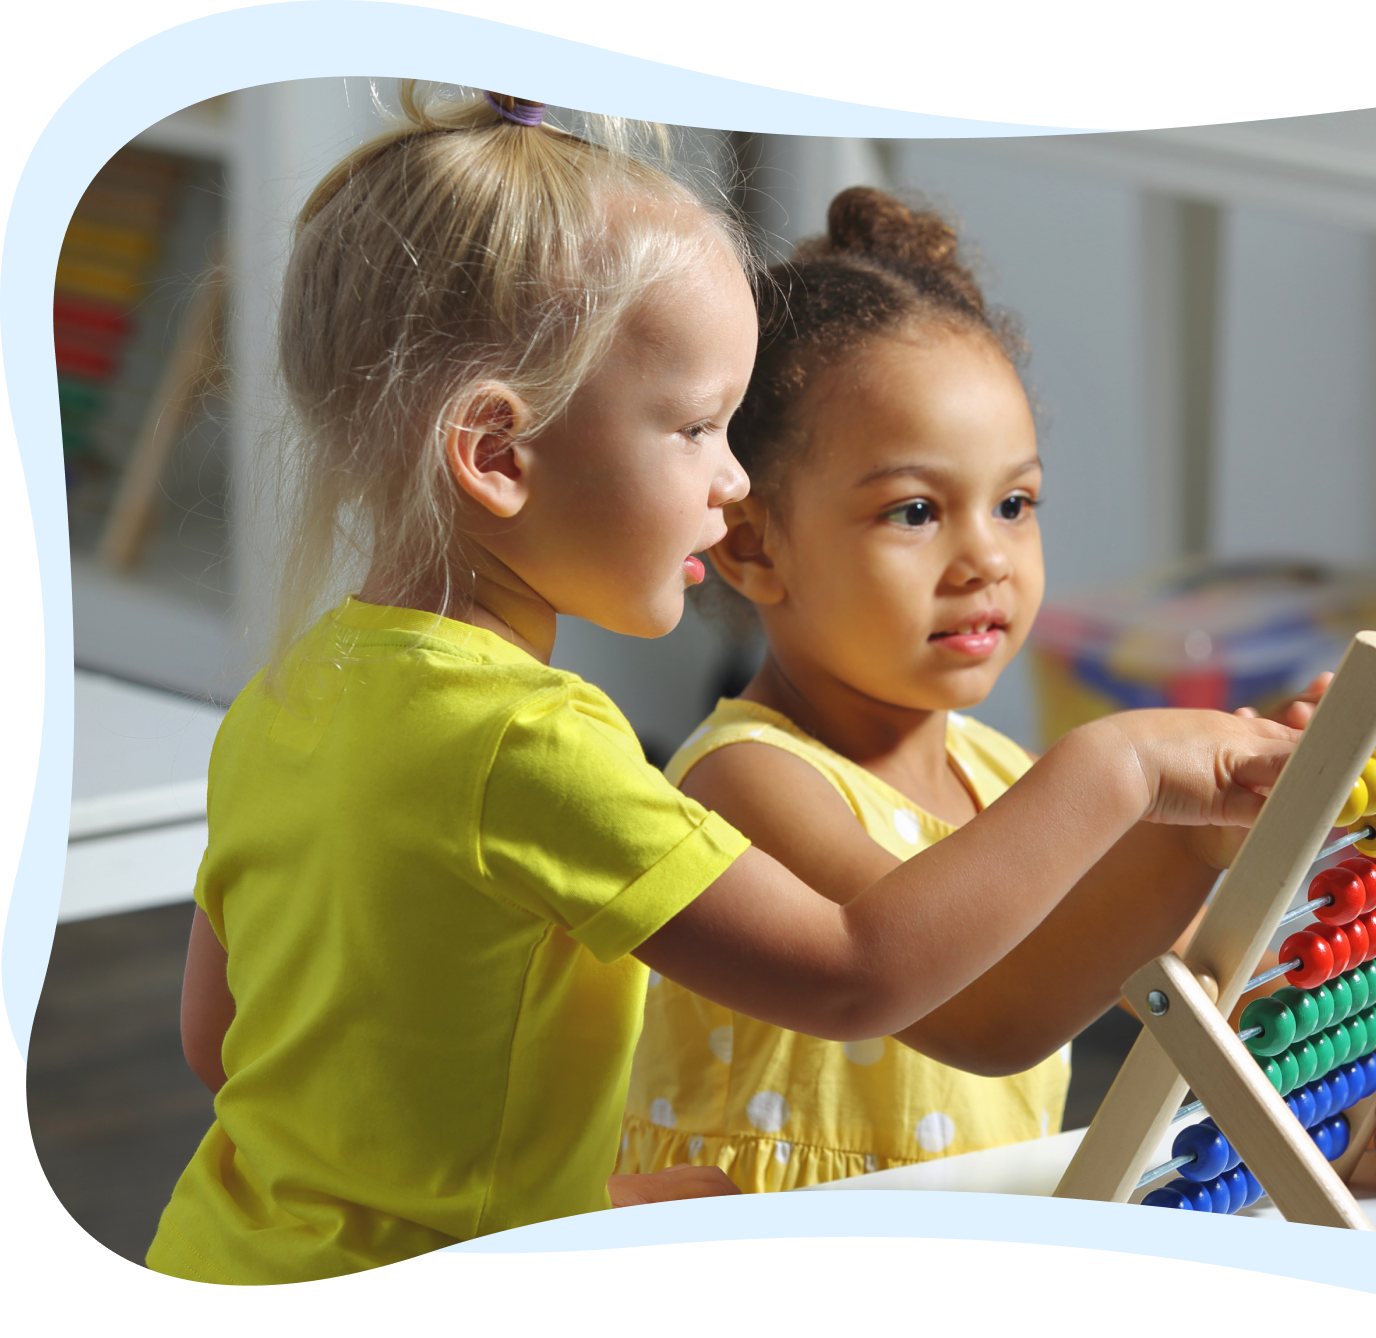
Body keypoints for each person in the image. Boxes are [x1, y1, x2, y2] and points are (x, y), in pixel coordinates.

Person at [150, 89, 1303, 1284]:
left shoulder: (289, 695)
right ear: (498, 456)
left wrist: (570, 1189)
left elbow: (233, 1045)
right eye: (697, 428)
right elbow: (858, 971)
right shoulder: (530, 741)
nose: (730, 478)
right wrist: (1116, 764)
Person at [618, 187, 1376, 1197]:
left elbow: (1219, 1016)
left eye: (1015, 503)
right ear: (752, 545)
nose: (986, 559)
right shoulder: (744, 787)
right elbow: (991, 1013)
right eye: (916, 510)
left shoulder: (1002, 779)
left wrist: (1338, 1112)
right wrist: (1150, 799)